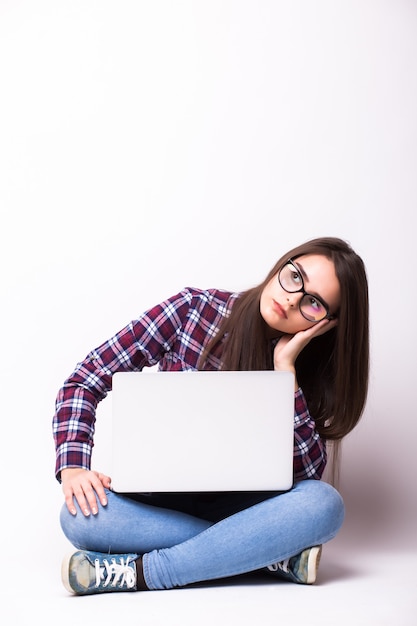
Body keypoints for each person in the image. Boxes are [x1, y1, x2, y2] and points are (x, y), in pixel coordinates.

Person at [54, 236, 369, 595]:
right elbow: (86, 378)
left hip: (247, 509)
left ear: (328, 323)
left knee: (324, 504)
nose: (291, 299)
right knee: (78, 517)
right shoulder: (193, 309)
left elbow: (306, 477)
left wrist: (286, 373)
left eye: (313, 303)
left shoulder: (308, 364)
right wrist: (74, 467)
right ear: (282, 265)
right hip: (161, 504)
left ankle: (145, 573)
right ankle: (262, 555)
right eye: (294, 277)